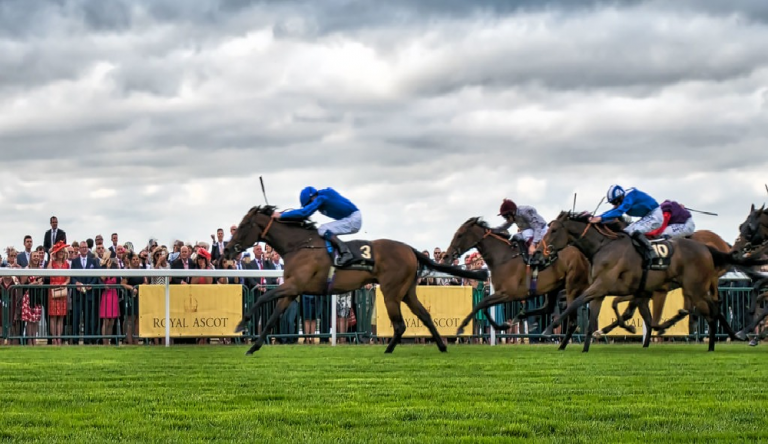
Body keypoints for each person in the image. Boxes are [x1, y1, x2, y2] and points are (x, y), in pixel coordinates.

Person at [275, 186, 361, 266]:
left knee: (322, 229)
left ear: (312, 197)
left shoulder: (322, 197)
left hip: (353, 219)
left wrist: (281, 215)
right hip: (351, 218)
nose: (310, 206)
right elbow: (305, 212)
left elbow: (305, 212)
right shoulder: (321, 196)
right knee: (324, 230)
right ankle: (335, 253)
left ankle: (345, 252)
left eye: (309, 203)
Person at [589, 184, 663, 260]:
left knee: (633, 231)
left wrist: (601, 218)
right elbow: (614, 210)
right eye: (612, 203)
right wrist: (598, 217)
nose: (614, 205)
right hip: (648, 216)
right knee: (626, 232)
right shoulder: (624, 197)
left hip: (655, 215)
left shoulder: (630, 197)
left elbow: (619, 211)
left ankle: (651, 252)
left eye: (615, 202)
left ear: (621, 197)